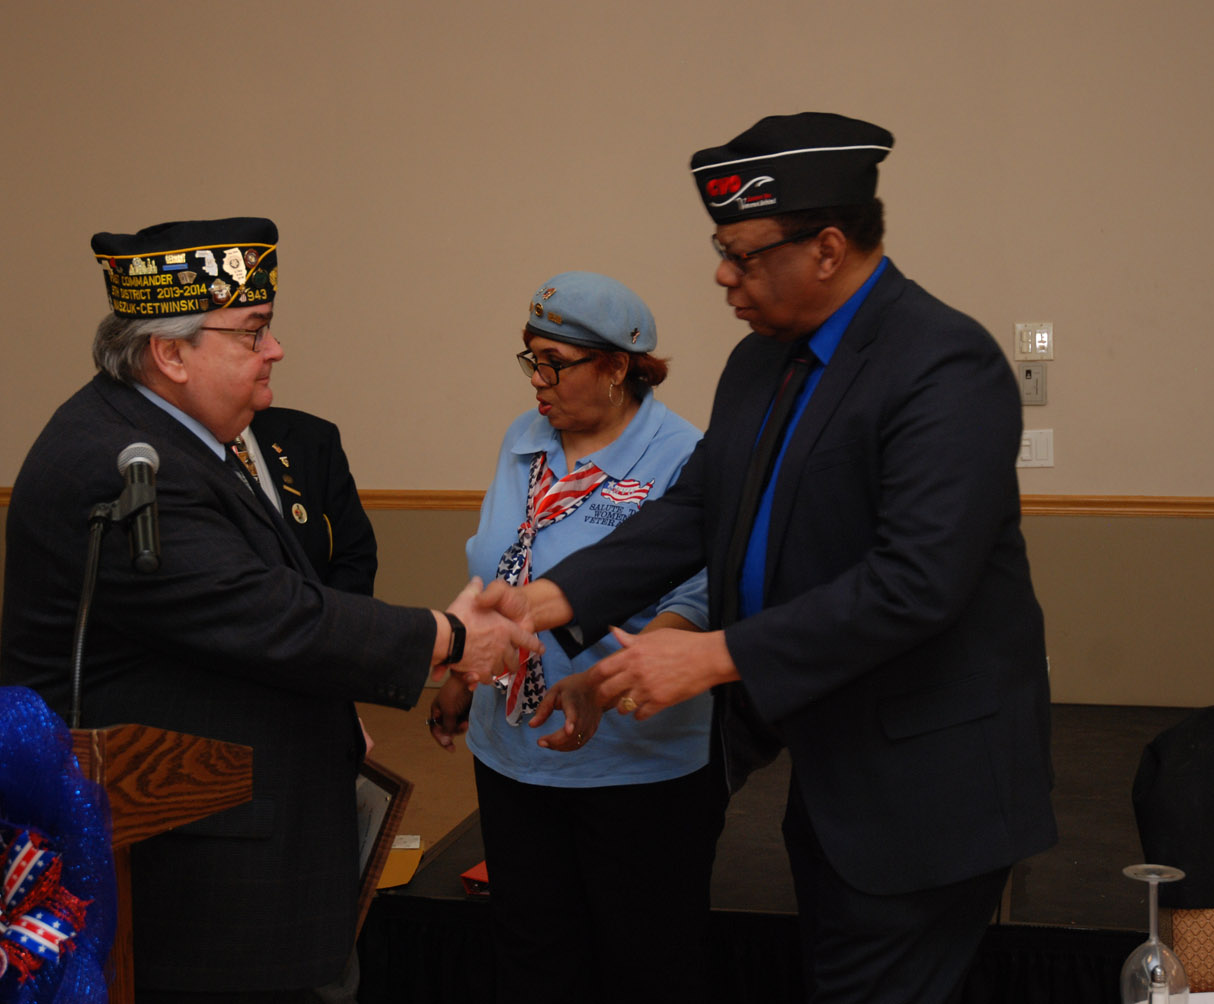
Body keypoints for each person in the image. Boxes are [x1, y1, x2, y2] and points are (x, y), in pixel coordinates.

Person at [480, 114, 1059, 1003]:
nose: (723, 275)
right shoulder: (762, 363)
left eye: (743, 256)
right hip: (831, 764)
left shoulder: (944, 365)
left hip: (924, 784)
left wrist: (711, 654)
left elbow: (915, 583)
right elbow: (697, 509)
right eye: (722, 251)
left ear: (826, 249)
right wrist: (548, 599)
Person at [0, 216, 538, 1004]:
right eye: (253, 332)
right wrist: (447, 636)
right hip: (195, 872)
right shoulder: (120, 463)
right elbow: (264, 613)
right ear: (171, 354)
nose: (276, 350)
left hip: (241, 845)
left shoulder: (171, 438)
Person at [430, 272, 723, 1004]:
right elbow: (498, 566)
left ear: (618, 366)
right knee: (532, 953)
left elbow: (698, 596)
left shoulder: (683, 454)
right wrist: (465, 676)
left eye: (555, 363)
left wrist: (611, 676)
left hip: (631, 759)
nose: (538, 380)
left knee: (642, 961)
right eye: (531, 360)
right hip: (511, 752)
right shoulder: (523, 440)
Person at [236, 405, 378, 595]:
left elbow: (355, 554)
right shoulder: (194, 452)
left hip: (320, 609)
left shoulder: (311, 437)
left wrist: (328, 612)